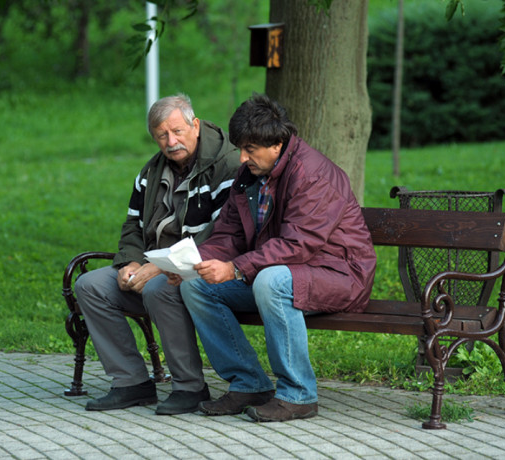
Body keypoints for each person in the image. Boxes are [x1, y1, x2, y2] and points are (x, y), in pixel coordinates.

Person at [177, 94, 377, 422]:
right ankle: (248, 384)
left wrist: (236, 268)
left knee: (272, 280)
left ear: (277, 144)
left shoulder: (313, 174)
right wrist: (191, 264)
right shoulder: (250, 178)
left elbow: (298, 245)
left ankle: (298, 394)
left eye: (250, 150)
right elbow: (229, 235)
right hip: (286, 272)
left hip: (339, 274)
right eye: (240, 148)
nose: (241, 158)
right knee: (195, 286)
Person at [75, 94, 239, 415]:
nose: (171, 141)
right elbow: (133, 224)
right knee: (90, 286)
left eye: (177, 131)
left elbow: (224, 234)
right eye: (161, 135)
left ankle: (189, 386)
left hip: (203, 269)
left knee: (158, 288)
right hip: (154, 264)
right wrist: (131, 262)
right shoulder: (151, 170)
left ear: (195, 124)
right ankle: (131, 382)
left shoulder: (227, 164)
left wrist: (162, 268)